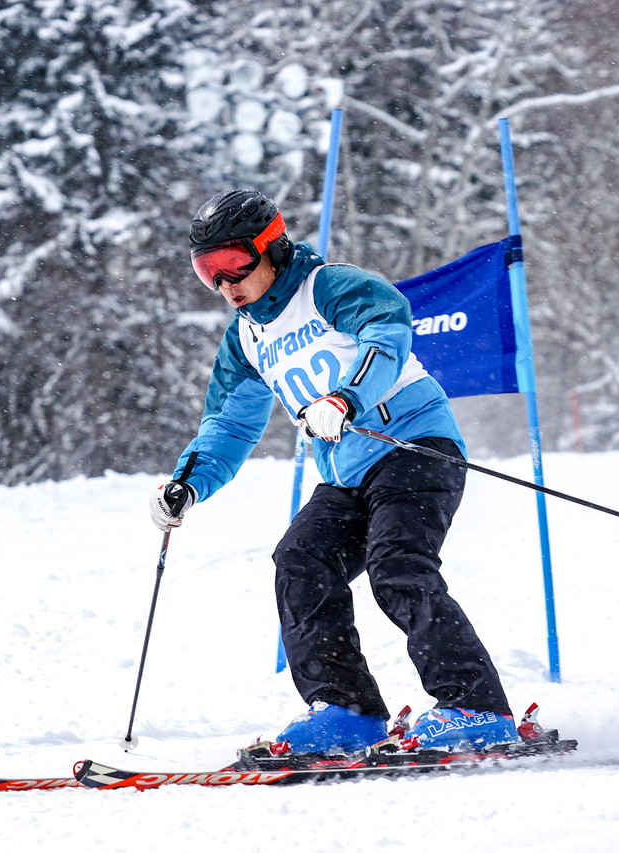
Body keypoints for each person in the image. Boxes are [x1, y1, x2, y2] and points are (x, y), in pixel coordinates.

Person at [149, 189, 516, 755]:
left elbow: (388, 337)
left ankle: (477, 707)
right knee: (300, 561)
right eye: (207, 272)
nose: (225, 285)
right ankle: (347, 711)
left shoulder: (332, 287)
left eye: (232, 264)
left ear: (270, 246)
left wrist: (345, 399)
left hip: (413, 445)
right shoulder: (245, 336)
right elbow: (229, 425)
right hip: (346, 474)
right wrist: (188, 483)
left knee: (398, 567)